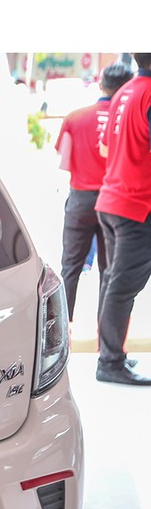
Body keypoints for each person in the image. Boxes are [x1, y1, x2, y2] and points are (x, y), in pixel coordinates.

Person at [56, 61, 134, 321]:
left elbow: (64, 163)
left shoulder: (74, 117)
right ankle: (106, 334)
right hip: (115, 202)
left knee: (70, 268)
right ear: (127, 87)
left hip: (80, 199)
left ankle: (62, 332)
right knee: (110, 271)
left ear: (101, 84)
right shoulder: (128, 120)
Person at [94, 53, 151, 385]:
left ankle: (112, 356)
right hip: (136, 205)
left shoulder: (124, 92)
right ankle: (110, 362)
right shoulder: (147, 93)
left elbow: (107, 147)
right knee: (121, 287)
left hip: (113, 200)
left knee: (114, 283)